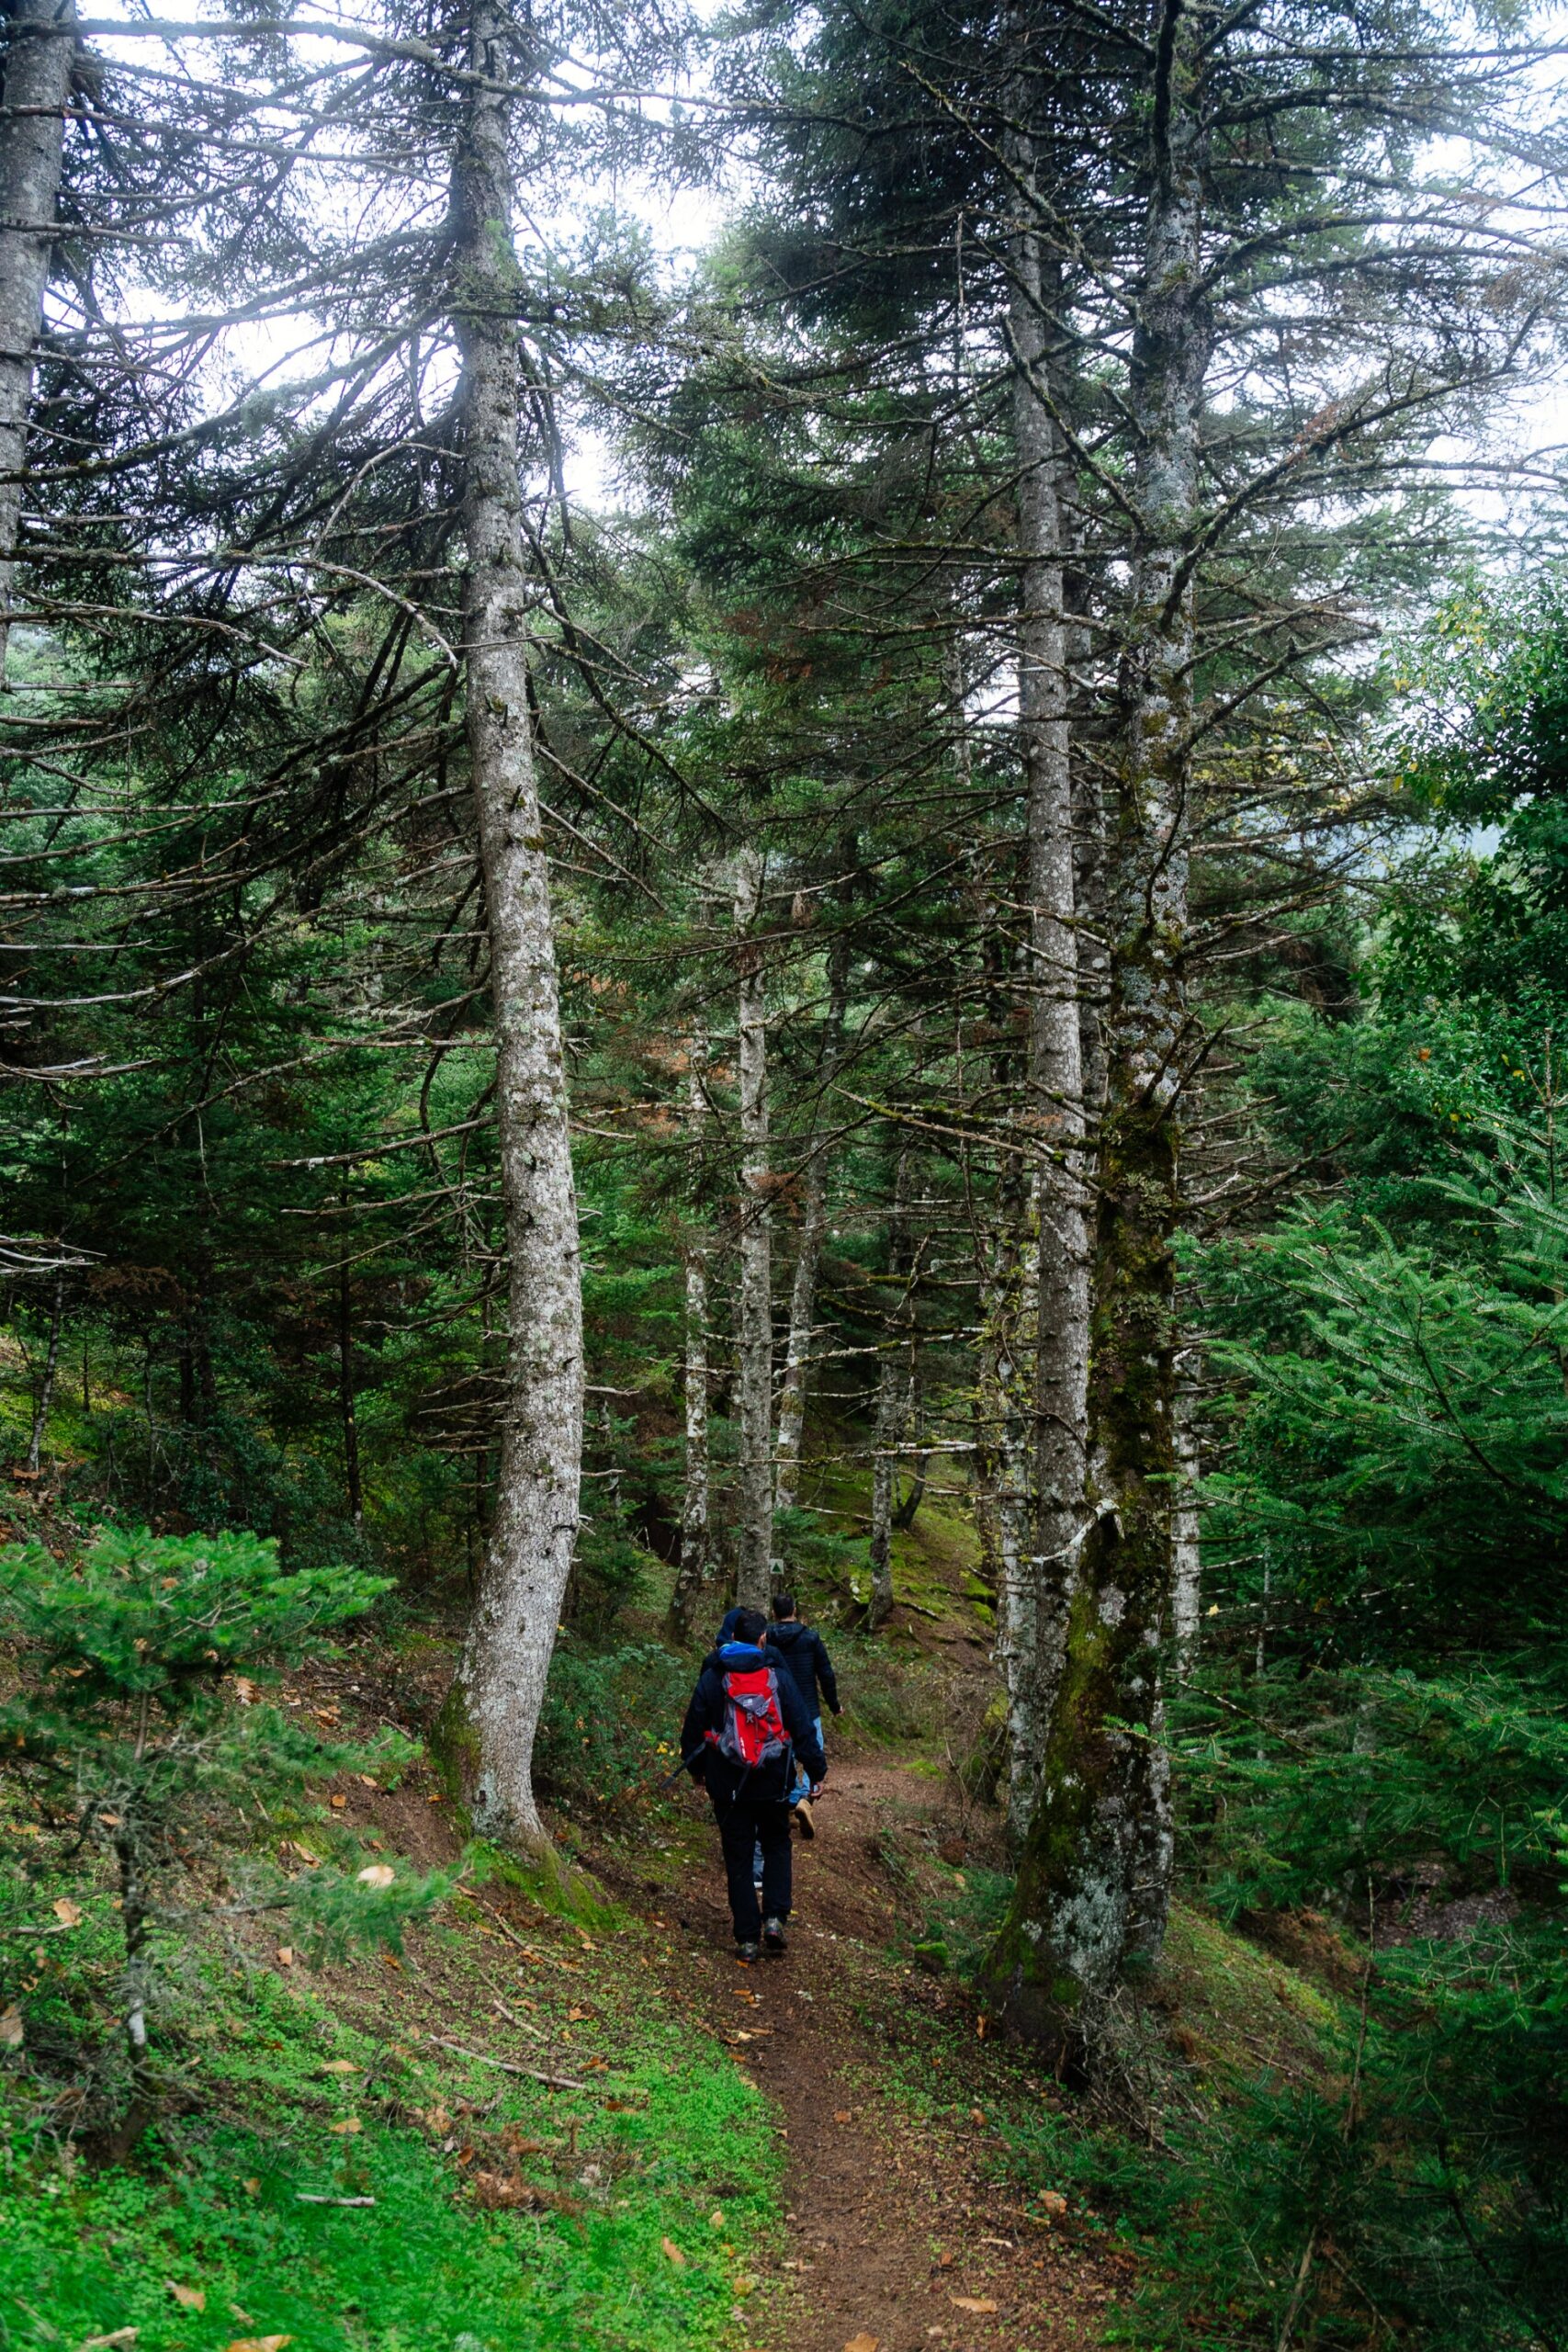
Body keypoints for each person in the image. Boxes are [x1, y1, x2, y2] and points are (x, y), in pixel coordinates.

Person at [681, 1606, 826, 1960]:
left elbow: (693, 1727)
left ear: (732, 1637)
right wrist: (817, 1771)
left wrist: (697, 1770)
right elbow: (801, 1725)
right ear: (763, 1639)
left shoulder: (713, 1675)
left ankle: (747, 1938)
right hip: (773, 1780)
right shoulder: (777, 1675)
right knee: (776, 1844)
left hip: (728, 1785)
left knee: (738, 1857)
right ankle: (774, 1918)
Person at [764, 1590, 840, 1838]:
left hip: (776, 1708)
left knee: (782, 1755)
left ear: (774, 1612)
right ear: (794, 1611)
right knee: (812, 1751)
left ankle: (791, 1800)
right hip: (807, 1708)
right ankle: (805, 1798)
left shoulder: (766, 1638)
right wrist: (834, 1705)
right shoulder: (810, 1638)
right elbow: (826, 1674)